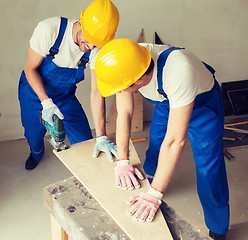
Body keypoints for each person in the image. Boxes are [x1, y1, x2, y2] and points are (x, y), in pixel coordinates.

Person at [95, 39, 229, 240]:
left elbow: (176, 141)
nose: (119, 92)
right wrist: (122, 161)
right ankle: (151, 180)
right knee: (156, 148)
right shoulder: (129, 59)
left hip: (203, 106)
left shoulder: (179, 71)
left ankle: (218, 228)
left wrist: (154, 195)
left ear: (138, 80)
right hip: (167, 102)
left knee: (208, 167)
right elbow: (124, 112)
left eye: (121, 88)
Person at [18, 0, 119, 170]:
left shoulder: (96, 49)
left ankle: (89, 170)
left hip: (65, 97)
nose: (91, 47)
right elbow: (30, 69)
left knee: (86, 140)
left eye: (97, 43)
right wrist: (46, 102)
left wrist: (101, 136)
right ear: (80, 21)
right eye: (89, 39)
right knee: (33, 135)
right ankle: (36, 153)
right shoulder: (50, 29)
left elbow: (97, 92)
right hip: (33, 94)